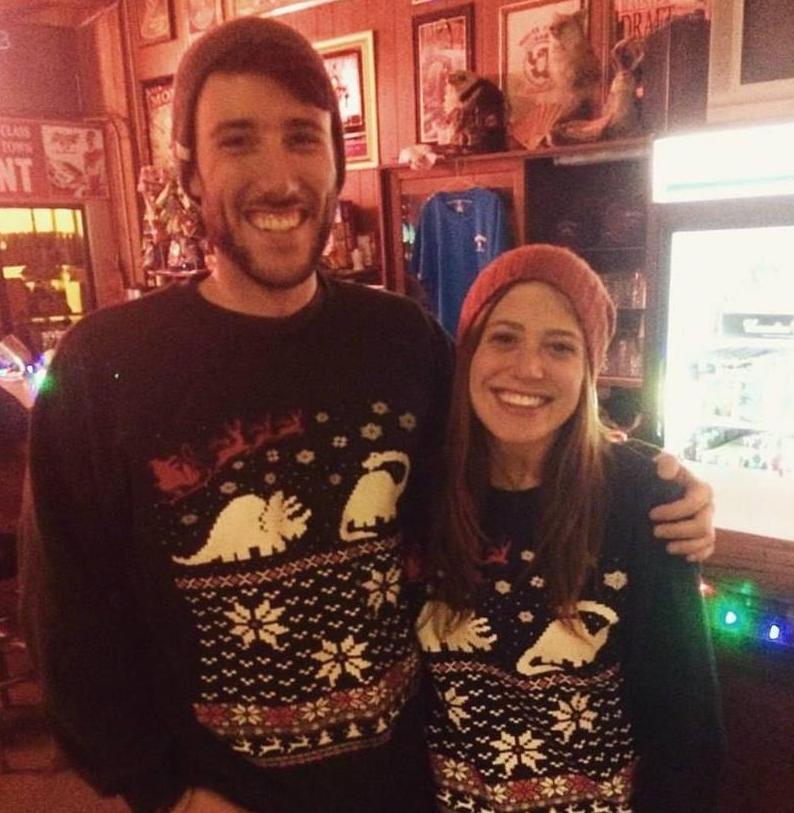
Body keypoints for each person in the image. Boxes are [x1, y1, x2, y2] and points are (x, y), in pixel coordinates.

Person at [24, 17, 715, 813]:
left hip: (408, 791)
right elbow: (67, 621)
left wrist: (656, 479)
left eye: (301, 139)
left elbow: (520, 423)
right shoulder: (103, 365)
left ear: (336, 159)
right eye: (238, 141)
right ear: (188, 170)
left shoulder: (400, 339)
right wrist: (163, 791)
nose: (278, 176)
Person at [418, 244, 724, 813]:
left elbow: (687, 729)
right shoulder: (418, 491)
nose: (528, 368)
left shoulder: (643, 496)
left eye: (560, 346)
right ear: (469, 354)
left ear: (589, 368)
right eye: (504, 337)